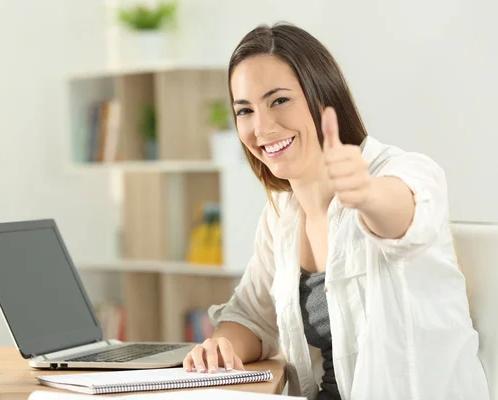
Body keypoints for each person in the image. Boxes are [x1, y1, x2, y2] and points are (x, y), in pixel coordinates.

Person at [182, 22, 489, 400]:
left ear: (321, 96)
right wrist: (221, 345)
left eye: (278, 100)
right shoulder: (281, 215)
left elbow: (407, 218)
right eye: (245, 110)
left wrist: (366, 194)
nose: (261, 127)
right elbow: (251, 315)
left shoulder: (401, 172)